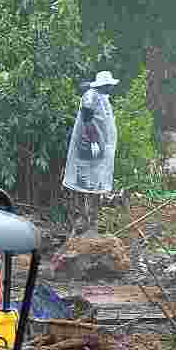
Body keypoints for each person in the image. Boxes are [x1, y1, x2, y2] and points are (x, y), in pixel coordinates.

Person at [62, 70, 119, 236]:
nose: (111, 88)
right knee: (85, 182)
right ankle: (83, 218)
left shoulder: (102, 98)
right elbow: (86, 117)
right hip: (88, 147)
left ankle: (92, 220)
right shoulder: (91, 96)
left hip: (98, 147)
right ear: (104, 85)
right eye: (109, 85)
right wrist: (93, 140)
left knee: (96, 182)